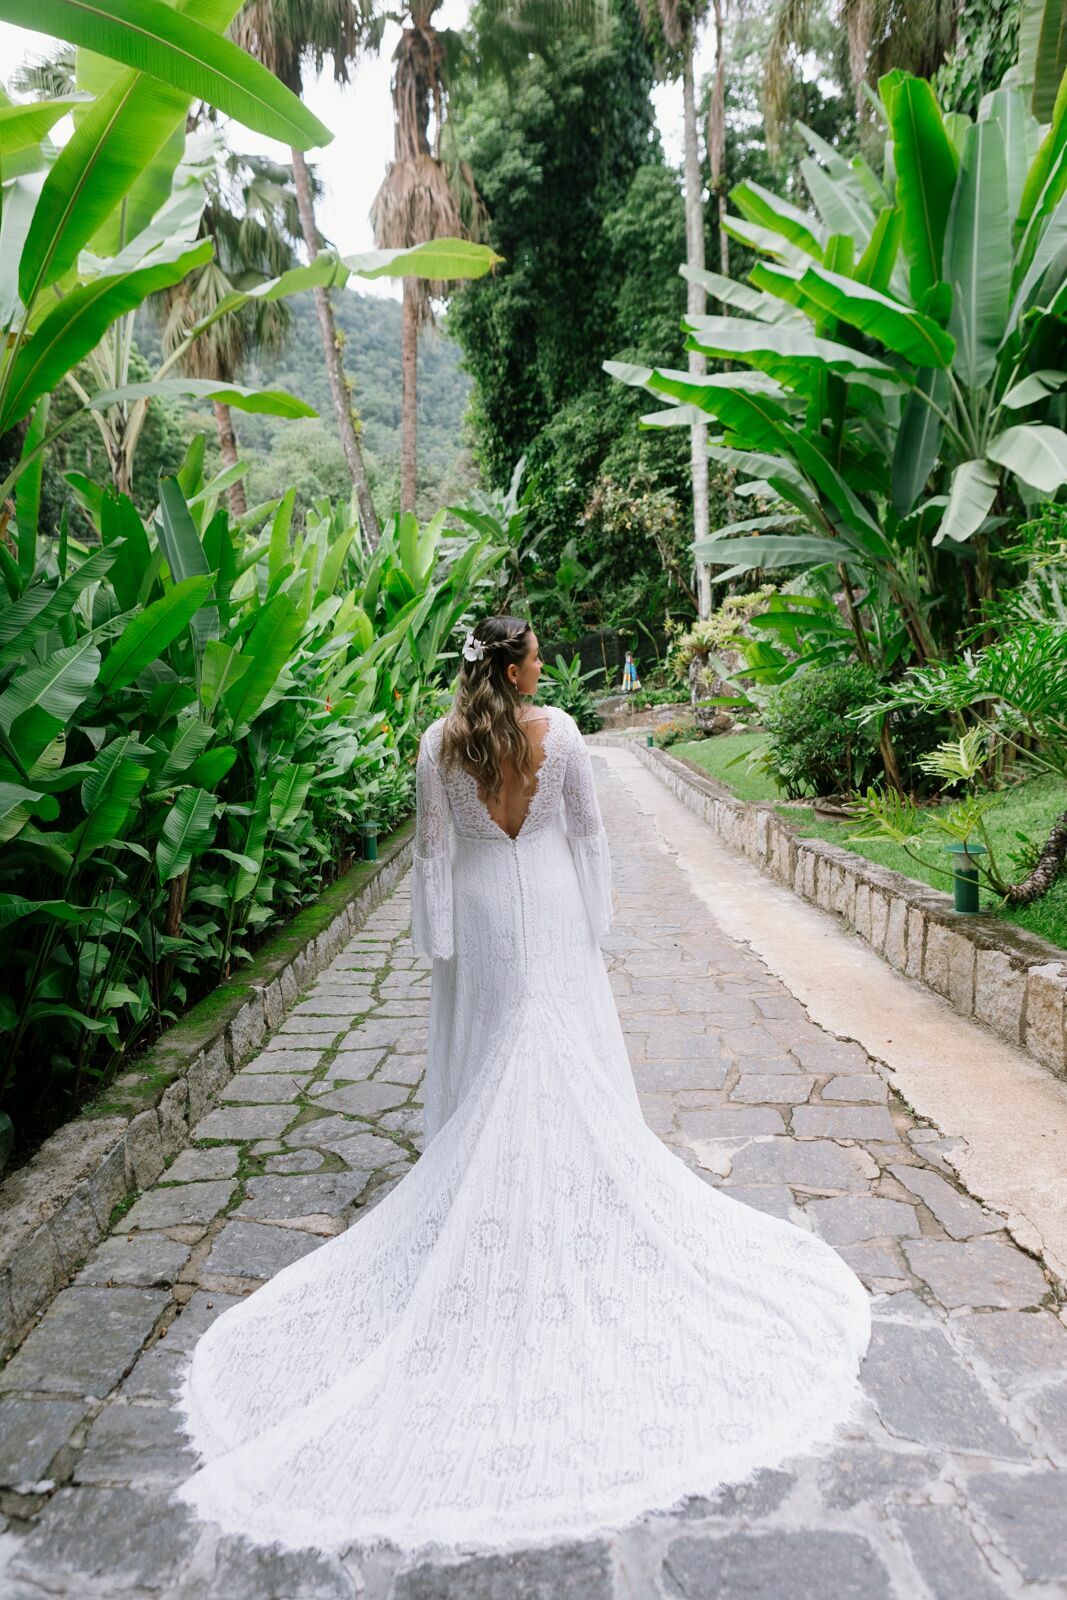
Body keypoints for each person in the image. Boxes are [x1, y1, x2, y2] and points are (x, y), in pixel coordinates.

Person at [170, 613, 872, 1560]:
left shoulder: (436, 742)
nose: (546, 664)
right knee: (560, 1052)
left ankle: (490, 1190)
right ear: (512, 666)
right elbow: (586, 836)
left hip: (486, 917)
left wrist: (439, 944)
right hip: (544, 905)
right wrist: (595, 922)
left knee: (498, 1053)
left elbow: (429, 853)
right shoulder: (565, 735)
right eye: (536, 653)